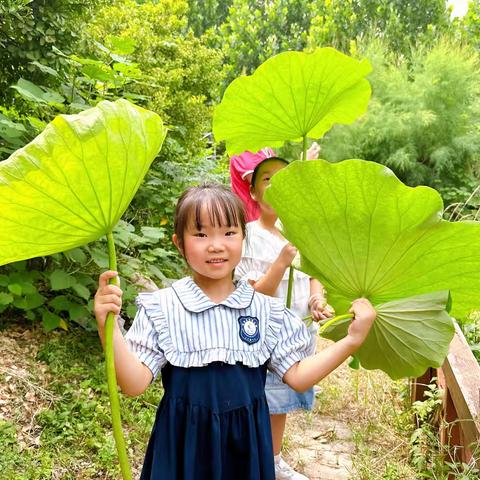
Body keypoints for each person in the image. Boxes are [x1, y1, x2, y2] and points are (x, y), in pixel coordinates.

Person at [94, 184, 376, 480]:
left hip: (245, 448)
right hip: (182, 445)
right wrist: (107, 327)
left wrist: (352, 340)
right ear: (179, 243)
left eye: (229, 233)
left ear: (244, 237)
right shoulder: (164, 308)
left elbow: (298, 376)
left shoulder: (266, 311)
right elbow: (134, 384)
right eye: (201, 234)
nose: (216, 245)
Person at [235, 157, 333, 480]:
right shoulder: (247, 236)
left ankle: (273, 459)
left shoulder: (300, 234)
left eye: (283, 180)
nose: (275, 186)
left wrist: (318, 299)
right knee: (263, 399)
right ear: (252, 193)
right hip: (263, 334)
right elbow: (255, 294)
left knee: (280, 403)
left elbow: (314, 274)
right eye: (266, 180)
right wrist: (282, 261)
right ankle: (259, 461)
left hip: (298, 334)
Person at [230, 143, 320, 223]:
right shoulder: (246, 149)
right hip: (256, 228)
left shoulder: (266, 149)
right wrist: (301, 167)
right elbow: (270, 190)